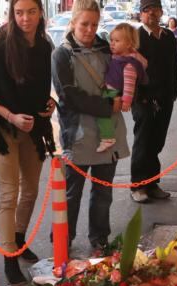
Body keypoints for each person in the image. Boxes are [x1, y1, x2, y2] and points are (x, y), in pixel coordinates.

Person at [0, 0, 56, 285]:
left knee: (31, 190)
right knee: (9, 194)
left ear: (40, 13)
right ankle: (9, 256)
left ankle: (20, 238)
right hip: (4, 127)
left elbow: (41, 88)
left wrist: (49, 105)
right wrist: (11, 117)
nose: (25, 18)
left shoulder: (44, 44)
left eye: (31, 11)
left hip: (35, 127)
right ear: (12, 14)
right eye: (19, 12)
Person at [51, 0, 129, 251]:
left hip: (109, 133)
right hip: (78, 133)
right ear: (73, 22)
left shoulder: (107, 48)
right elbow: (69, 97)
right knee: (72, 193)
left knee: (103, 193)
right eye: (84, 24)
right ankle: (64, 239)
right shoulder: (61, 54)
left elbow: (124, 73)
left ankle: (99, 239)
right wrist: (108, 106)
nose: (89, 29)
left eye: (94, 24)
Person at [130, 0, 177, 204]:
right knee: (143, 141)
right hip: (143, 99)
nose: (151, 14)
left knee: (157, 142)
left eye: (155, 10)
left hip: (165, 97)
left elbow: (174, 66)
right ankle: (138, 185)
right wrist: (136, 97)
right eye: (146, 10)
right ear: (141, 15)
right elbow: (129, 70)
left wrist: (173, 93)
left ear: (161, 12)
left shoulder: (168, 37)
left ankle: (152, 183)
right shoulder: (136, 38)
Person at [95, 22, 147, 152]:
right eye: (111, 40)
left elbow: (129, 85)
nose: (112, 43)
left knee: (103, 115)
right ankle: (106, 136)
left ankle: (107, 138)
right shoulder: (120, 57)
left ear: (129, 44)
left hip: (113, 92)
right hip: (110, 89)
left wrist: (126, 102)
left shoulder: (129, 64)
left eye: (117, 41)